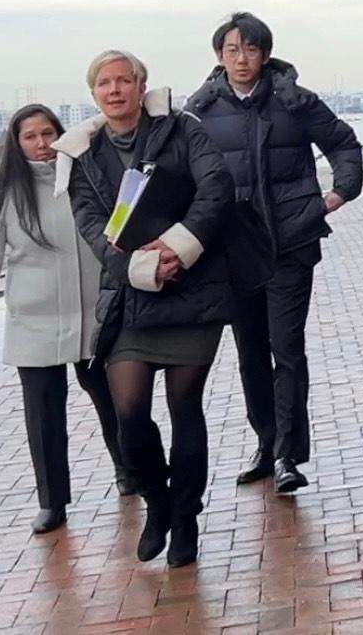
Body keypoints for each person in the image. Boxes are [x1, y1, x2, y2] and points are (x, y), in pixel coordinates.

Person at [53, 50, 235, 568]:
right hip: (131, 297)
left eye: (124, 81)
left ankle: (187, 520)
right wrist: (139, 267)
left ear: (140, 86)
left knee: (185, 409)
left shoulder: (182, 128)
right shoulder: (81, 155)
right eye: (104, 83)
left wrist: (178, 248)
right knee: (129, 414)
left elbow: (216, 188)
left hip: (195, 291)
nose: (115, 90)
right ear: (94, 94)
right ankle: (158, 503)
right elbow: (91, 224)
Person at [185, 12, 363, 494]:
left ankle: (288, 452)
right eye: (231, 50)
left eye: (251, 49)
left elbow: (343, 143)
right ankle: (265, 442)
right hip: (232, 249)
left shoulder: (295, 101)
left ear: (265, 53)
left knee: (286, 348)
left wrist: (336, 195)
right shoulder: (199, 111)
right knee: (249, 354)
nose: (242, 59)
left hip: (290, 242)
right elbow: (179, 174)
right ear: (219, 56)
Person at [0, 104, 127, 535]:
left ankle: (130, 471)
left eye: (48, 133)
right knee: (44, 416)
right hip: (35, 321)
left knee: (117, 404)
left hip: (94, 316)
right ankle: (52, 501)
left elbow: (121, 227)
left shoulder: (87, 178)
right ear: (16, 143)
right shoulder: (5, 193)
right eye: (30, 136)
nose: (42, 143)